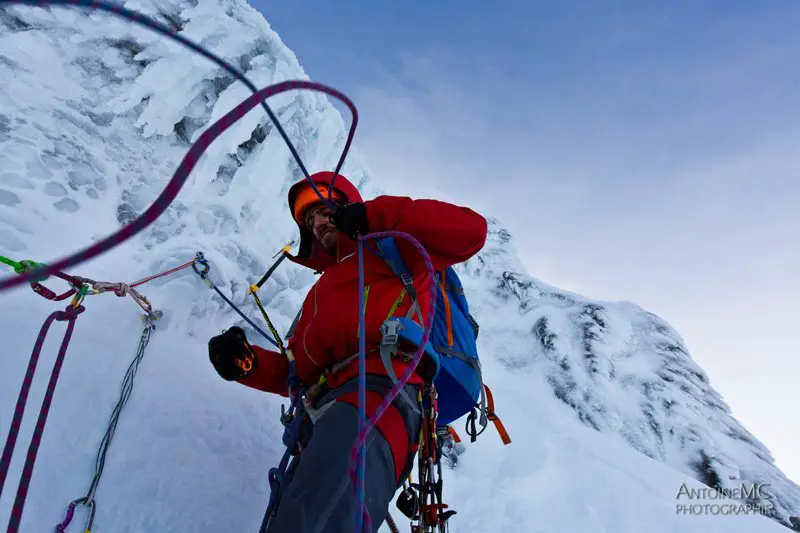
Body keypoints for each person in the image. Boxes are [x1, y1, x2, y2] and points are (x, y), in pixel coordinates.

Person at [207, 171, 488, 532]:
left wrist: (376, 216)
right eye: (309, 220)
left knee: (320, 512)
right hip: (322, 411)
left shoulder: (391, 248)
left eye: (324, 211)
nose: (318, 223)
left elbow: (470, 231)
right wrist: (249, 364)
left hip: (383, 388)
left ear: (348, 207)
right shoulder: (319, 293)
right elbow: (299, 372)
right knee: (298, 512)